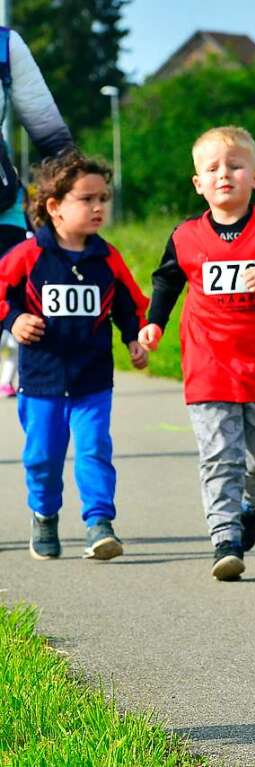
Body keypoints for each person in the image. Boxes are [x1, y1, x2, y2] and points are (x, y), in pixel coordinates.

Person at [138, 126, 255, 582]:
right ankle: (225, 539)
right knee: (220, 456)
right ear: (197, 182)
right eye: (213, 168)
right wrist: (155, 321)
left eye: (235, 166)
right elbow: (167, 280)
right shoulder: (185, 236)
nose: (225, 175)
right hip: (207, 366)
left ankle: (251, 504)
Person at [0, 148, 149, 560]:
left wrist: (135, 338)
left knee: (94, 449)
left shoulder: (108, 257)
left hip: (92, 380)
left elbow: (129, 304)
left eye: (103, 199)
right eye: (87, 199)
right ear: (54, 207)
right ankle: (44, 515)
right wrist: (13, 320)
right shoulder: (29, 256)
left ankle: (98, 523)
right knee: (43, 457)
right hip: (41, 380)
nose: (98, 207)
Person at [0, 25, 75, 397]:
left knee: (17, 303)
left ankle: (44, 431)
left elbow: (50, 134)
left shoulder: (4, 45)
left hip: (3, 208)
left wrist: (78, 190)